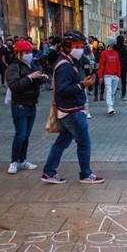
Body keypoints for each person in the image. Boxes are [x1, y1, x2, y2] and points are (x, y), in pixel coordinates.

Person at [42, 31, 104, 184]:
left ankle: (49, 172)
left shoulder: (68, 62)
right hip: (71, 112)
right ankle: (85, 174)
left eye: (82, 46)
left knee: (62, 142)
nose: (80, 49)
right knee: (84, 143)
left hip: (68, 110)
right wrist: (82, 84)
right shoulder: (64, 65)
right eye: (77, 46)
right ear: (67, 47)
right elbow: (63, 90)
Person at [5, 39, 48, 174]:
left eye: (30, 51)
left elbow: (33, 83)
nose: (29, 54)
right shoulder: (13, 67)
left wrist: (41, 78)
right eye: (26, 52)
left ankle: (22, 160)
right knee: (20, 135)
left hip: (31, 104)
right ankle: (14, 162)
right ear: (19, 53)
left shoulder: (31, 65)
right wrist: (30, 77)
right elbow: (15, 86)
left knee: (26, 135)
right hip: (19, 105)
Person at [98, 39, 121, 114]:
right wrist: (100, 76)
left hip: (115, 76)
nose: (113, 44)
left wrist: (118, 75)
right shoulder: (104, 53)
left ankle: (111, 106)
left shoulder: (116, 53)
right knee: (109, 90)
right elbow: (101, 65)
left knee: (113, 92)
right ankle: (109, 106)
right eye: (112, 43)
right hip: (107, 75)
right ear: (109, 44)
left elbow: (118, 64)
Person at [116, 35, 127, 101]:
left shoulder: (115, 48)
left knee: (115, 81)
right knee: (123, 82)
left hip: (116, 67)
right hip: (123, 67)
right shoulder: (124, 48)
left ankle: (114, 94)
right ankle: (123, 95)